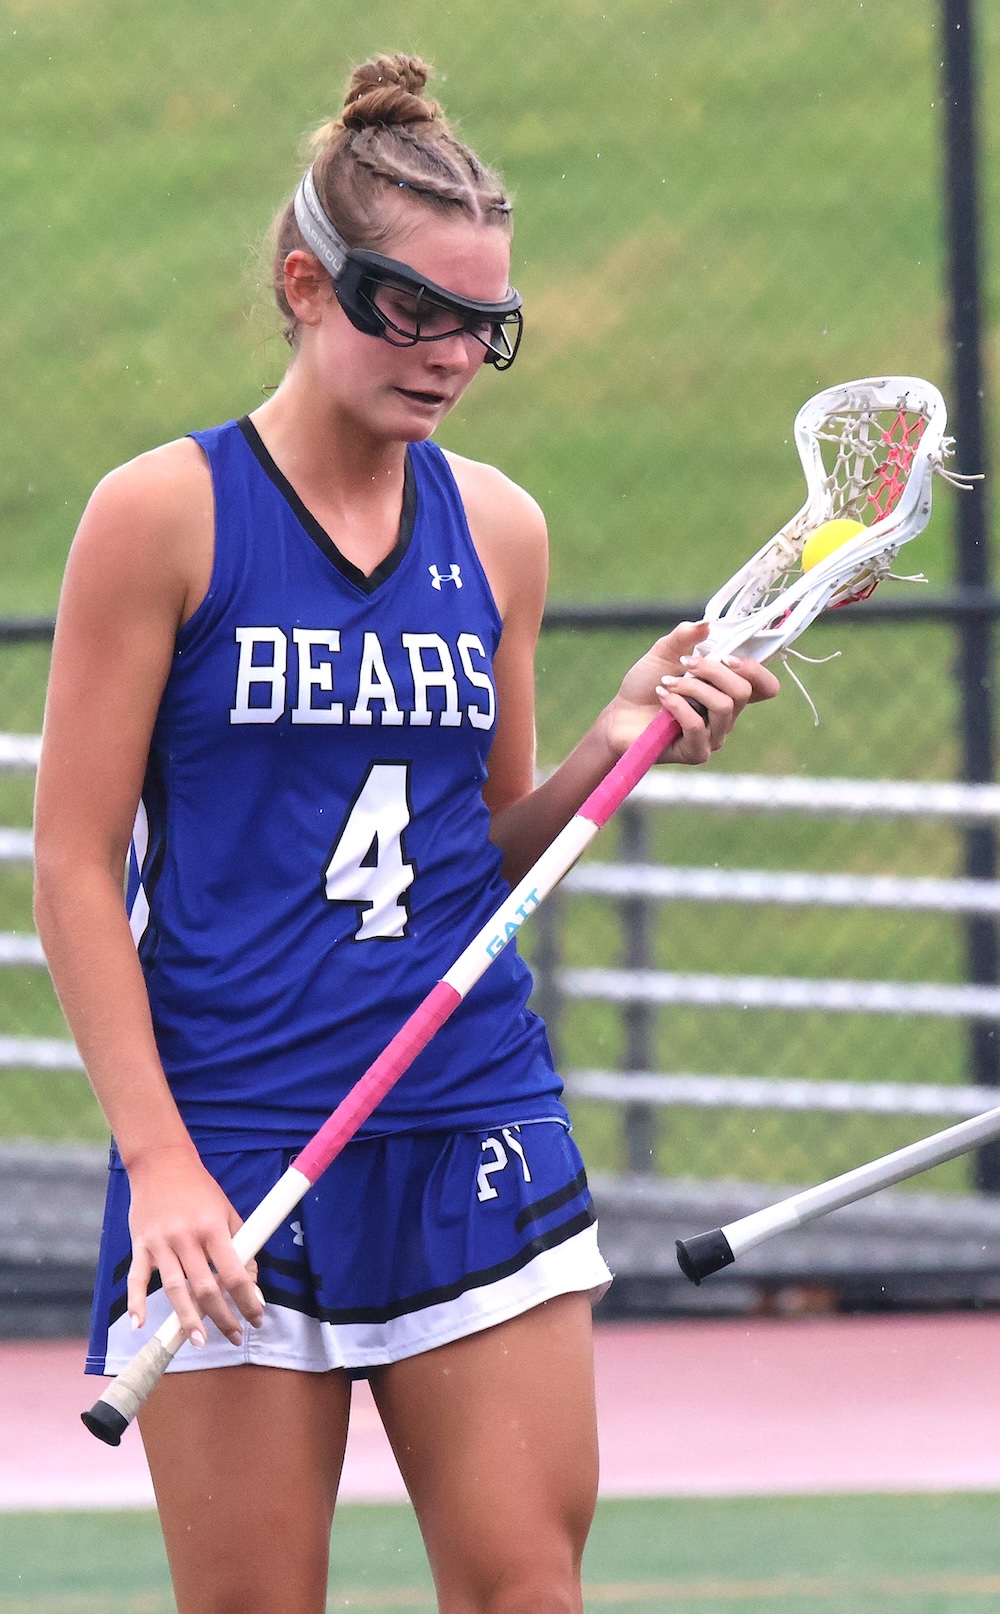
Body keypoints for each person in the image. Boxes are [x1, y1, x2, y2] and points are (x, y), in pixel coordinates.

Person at [33, 53, 779, 1614]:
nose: (447, 354)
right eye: (412, 309)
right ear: (308, 285)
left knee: (527, 1591)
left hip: (465, 1110)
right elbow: (74, 864)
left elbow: (483, 860)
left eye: (483, 325)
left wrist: (612, 740)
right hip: (236, 1132)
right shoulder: (162, 516)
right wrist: (160, 1163)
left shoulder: (498, 529)